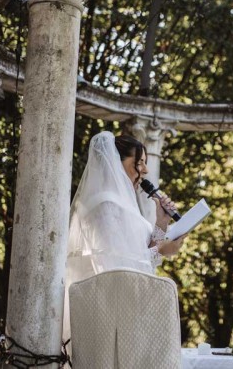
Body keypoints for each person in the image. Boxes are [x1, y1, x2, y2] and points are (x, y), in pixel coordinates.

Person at [63, 132, 185, 346]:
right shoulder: (105, 205)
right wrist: (163, 250)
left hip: (127, 309)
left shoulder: (125, 205)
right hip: (110, 313)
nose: (145, 170)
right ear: (115, 163)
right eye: (139, 163)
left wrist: (162, 222)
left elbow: (140, 253)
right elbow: (119, 267)